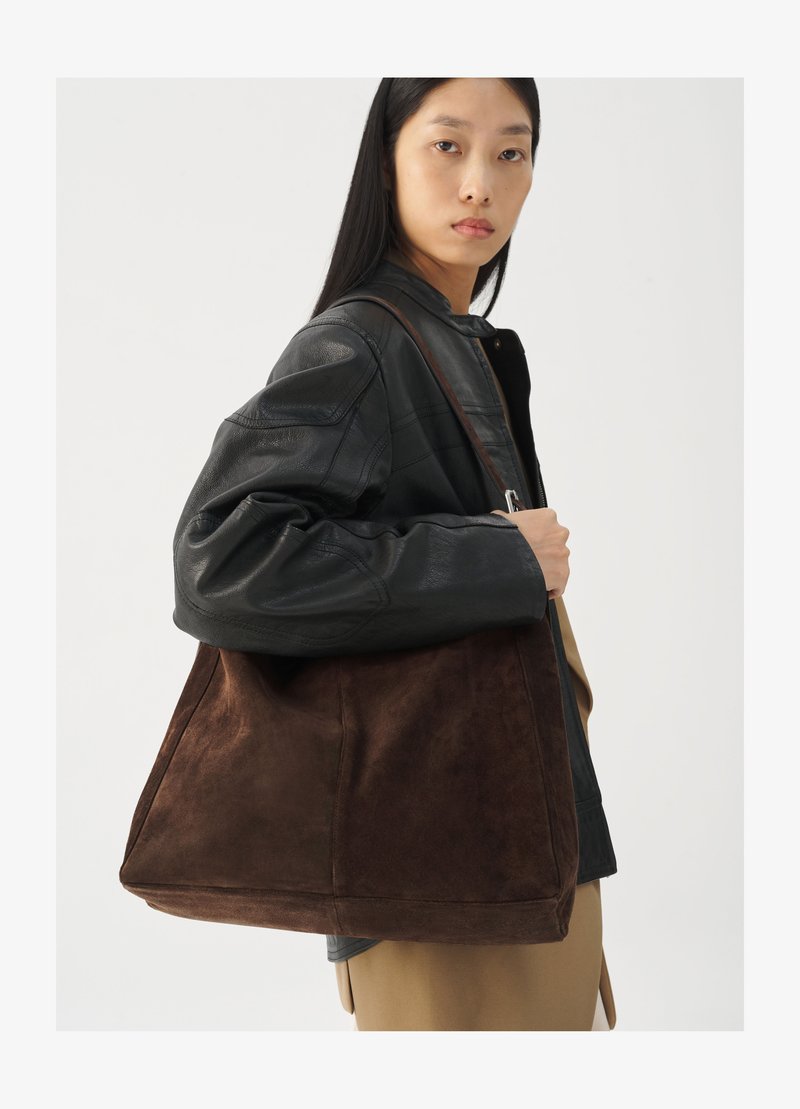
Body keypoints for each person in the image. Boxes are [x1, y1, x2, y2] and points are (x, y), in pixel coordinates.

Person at [172, 77, 619, 1031]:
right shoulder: (361, 342)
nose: (480, 183)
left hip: (509, 848)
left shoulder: (454, 342)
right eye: (447, 145)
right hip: (443, 879)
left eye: (511, 152)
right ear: (386, 161)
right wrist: (498, 559)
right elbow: (222, 559)